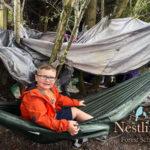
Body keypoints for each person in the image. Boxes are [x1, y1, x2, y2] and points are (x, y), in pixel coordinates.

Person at [20, 64, 93, 136]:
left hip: (52, 115)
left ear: (55, 80)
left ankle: (96, 126)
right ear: (36, 77)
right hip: (39, 126)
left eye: (51, 78)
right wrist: (66, 125)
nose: (47, 80)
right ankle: (97, 127)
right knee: (75, 114)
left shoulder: (51, 89)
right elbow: (41, 120)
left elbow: (60, 99)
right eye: (44, 76)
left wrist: (76, 102)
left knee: (74, 110)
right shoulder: (33, 97)